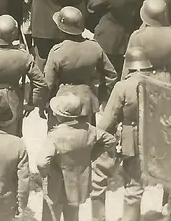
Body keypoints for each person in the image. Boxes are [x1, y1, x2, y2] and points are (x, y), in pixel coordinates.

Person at [37, 93, 117, 221]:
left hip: (55, 184)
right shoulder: (89, 130)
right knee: (72, 216)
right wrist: (90, 155)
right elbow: (110, 140)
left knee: (51, 215)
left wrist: (46, 174)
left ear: (61, 115)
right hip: (76, 183)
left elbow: (41, 162)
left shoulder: (55, 135)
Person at [97, 47, 156, 221]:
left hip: (129, 138)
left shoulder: (122, 86)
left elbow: (109, 119)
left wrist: (97, 139)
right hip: (150, 138)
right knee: (136, 185)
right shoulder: (156, 84)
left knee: (104, 181)